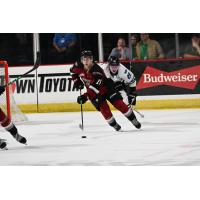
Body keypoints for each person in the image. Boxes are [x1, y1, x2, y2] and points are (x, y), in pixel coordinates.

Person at [70, 50, 141, 131]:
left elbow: (95, 88)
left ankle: (133, 120)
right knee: (105, 111)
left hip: (106, 88)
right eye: (84, 59)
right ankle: (115, 125)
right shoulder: (78, 65)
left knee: (120, 104)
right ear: (81, 60)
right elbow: (72, 72)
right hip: (94, 93)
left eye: (88, 59)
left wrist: (85, 96)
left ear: (92, 59)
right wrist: (76, 81)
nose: (85, 61)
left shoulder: (97, 70)